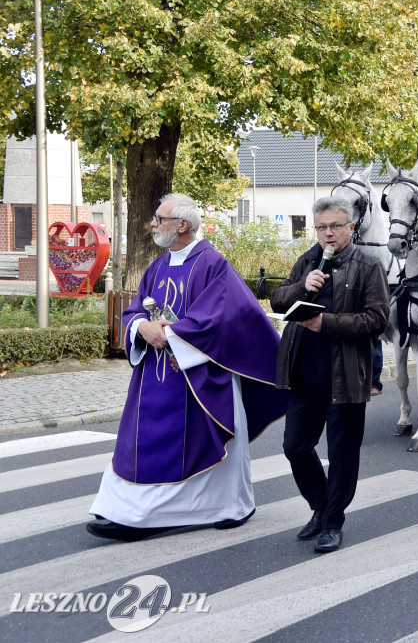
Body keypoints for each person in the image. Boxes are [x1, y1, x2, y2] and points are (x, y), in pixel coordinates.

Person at [87, 194, 287, 541]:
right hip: (155, 378)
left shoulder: (213, 264)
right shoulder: (157, 266)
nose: (152, 223)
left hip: (202, 376)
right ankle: (127, 511)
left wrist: (172, 334)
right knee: (141, 442)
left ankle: (230, 508)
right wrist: (139, 328)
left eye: (159, 218)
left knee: (205, 442)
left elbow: (223, 317)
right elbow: (135, 310)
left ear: (181, 224)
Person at [272, 196, 389, 553]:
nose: (327, 234)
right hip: (303, 376)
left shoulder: (368, 266)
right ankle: (320, 506)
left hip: (346, 377)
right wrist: (300, 287)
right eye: (321, 227)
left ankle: (333, 521)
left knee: (341, 454)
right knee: (295, 447)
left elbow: (377, 319)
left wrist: (327, 323)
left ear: (350, 228)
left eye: (335, 226)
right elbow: (278, 300)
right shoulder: (307, 261)